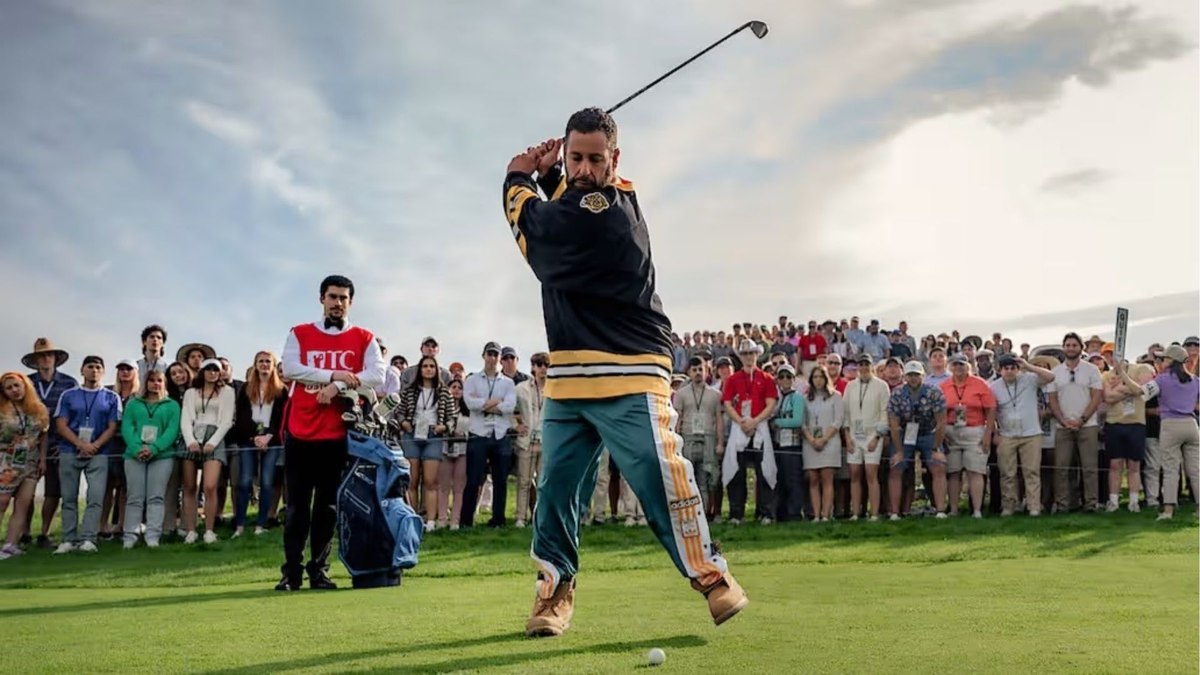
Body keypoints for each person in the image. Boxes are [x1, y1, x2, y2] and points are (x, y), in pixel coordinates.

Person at [504, 109, 745, 637]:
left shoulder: (608, 208)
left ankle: (712, 576)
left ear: (616, 159)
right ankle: (555, 589)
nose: (585, 168)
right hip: (570, 373)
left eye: (595, 158)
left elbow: (544, 238)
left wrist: (519, 175)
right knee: (556, 490)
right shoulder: (576, 197)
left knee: (658, 471)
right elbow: (561, 206)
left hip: (628, 367)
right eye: (575, 158)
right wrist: (548, 177)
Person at [276, 274, 385, 590]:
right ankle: (290, 573)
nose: (337, 303)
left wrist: (336, 386)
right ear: (321, 298)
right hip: (300, 432)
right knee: (296, 509)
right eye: (332, 296)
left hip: (337, 435)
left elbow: (376, 376)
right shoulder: (300, 333)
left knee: (327, 509)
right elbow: (291, 368)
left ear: (350, 302)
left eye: (343, 298)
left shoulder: (364, 338)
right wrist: (335, 374)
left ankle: (319, 571)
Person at [1112, 346, 1199, 520]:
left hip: (1170, 425)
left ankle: (1168, 511)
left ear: (1171, 361)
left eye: (1164, 358)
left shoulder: (1162, 379)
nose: (1161, 361)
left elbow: (1139, 391)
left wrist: (1122, 373)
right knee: (1196, 470)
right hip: (1192, 425)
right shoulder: (1195, 380)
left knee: (1170, 470)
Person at [53, 356, 123, 554]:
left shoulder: (111, 397)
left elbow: (112, 426)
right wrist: (80, 444)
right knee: (68, 497)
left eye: (98, 367)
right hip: (70, 451)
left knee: (95, 497)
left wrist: (94, 445)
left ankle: (89, 539)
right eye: (90, 366)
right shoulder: (68, 395)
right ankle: (68, 539)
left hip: (99, 453)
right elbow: (61, 424)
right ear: (82, 370)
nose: (94, 370)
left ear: (103, 371)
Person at [21, 338, 77, 550]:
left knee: (53, 492)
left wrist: (65, 441)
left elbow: (75, 415)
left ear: (55, 359)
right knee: (26, 492)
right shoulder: (26, 382)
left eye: (48, 355)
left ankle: (44, 533)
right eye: (40, 356)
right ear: (35, 360)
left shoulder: (69, 383)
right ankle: (24, 532)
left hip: (58, 444)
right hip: (28, 445)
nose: (45, 359)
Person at [119, 370, 180, 549]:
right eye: (152, 380)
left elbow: (172, 431)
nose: (155, 384)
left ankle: (153, 536)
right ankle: (129, 536)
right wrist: (138, 448)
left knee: (156, 497)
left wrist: (154, 448)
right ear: (145, 383)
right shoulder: (133, 404)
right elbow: (127, 428)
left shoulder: (172, 405)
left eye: (159, 380)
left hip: (162, 456)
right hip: (134, 455)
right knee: (134, 497)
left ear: (164, 383)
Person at [722, 340, 779, 525]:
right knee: (737, 471)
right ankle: (736, 512)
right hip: (740, 427)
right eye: (745, 353)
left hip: (759, 426)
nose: (748, 357)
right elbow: (728, 403)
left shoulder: (766, 378)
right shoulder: (733, 379)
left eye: (751, 353)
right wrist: (740, 421)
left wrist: (755, 420)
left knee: (764, 470)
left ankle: (765, 512)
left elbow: (770, 403)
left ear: (757, 355)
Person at [232, 351, 289, 537]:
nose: (264, 365)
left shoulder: (281, 390)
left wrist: (269, 436)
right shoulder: (246, 388)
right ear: (255, 364)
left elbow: (281, 418)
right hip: (249, 439)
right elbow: (241, 416)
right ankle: (239, 524)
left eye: (267, 361)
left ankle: (261, 524)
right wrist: (253, 437)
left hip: (272, 441)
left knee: (267, 482)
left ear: (273, 365)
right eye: (260, 361)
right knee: (245, 480)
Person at [461, 342, 517, 528]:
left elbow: (509, 407)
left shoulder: (508, 383)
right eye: (489, 354)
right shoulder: (472, 379)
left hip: (500, 435)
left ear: (500, 358)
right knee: (473, 479)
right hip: (478, 433)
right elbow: (470, 404)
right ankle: (466, 520)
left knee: (500, 480)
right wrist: (493, 403)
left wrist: (485, 405)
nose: (492, 358)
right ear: (483, 355)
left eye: (496, 355)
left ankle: (498, 520)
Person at [990, 355, 1055, 516]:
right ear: (1000, 370)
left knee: (1031, 472)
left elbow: (1051, 377)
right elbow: (990, 412)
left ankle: (1034, 506)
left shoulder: (1029, 379)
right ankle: (1008, 507)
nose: (1010, 371)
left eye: (1013, 368)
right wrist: (995, 432)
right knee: (1007, 473)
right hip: (1006, 434)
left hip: (1031, 433)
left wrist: (1028, 366)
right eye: (1006, 368)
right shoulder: (994, 387)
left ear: (1018, 369)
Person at [395, 355, 455, 530]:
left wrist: (443, 427)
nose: (428, 369)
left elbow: (452, 418)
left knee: (430, 481)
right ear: (420, 369)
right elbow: (399, 411)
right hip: (411, 434)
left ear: (437, 370)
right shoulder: (409, 391)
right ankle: (412, 518)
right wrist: (403, 422)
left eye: (432, 366)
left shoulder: (444, 392)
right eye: (425, 366)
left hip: (433, 435)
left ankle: (430, 520)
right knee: (411, 481)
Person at [180, 359, 235, 544]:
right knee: (189, 487)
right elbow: (185, 418)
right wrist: (190, 441)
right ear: (202, 371)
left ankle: (209, 530)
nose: (212, 373)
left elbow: (227, 420)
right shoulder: (190, 392)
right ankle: (191, 530)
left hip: (215, 437)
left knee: (210, 486)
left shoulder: (227, 392)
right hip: (193, 438)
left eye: (216, 370)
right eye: (209, 369)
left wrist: (212, 442)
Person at [1047, 333, 1104, 513]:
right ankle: (1065, 504)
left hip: (1087, 425)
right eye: (1068, 345)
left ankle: (1091, 504)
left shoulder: (1091, 370)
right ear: (1063, 348)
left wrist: (1082, 419)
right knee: (1062, 467)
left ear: (1081, 348)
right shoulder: (1055, 372)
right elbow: (1052, 399)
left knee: (1089, 467)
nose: (1071, 348)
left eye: (1074, 345)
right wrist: (1063, 420)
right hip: (1063, 425)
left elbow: (1096, 397)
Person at [886, 361, 947, 520]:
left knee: (938, 466)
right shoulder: (897, 393)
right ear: (905, 376)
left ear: (923, 376)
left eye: (916, 375)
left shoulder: (934, 392)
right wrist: (899, 452)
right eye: (910, 375)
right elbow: (893, 424)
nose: (913, 378)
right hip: (906, 434)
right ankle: (894, 513)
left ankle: (940, 510)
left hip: (929, 432)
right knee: (896, 467)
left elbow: (941, 422)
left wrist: (936, 448)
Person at [940, 354, 997, 518]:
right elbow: (940, 411)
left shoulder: (980, 384)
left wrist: (988, 433)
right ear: (951, 367)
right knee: (953, 471)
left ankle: (977, 510)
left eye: (962, 365)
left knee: (975, 471)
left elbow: (991, 408)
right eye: (956, 365)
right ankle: (953, 510)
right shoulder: (945, 386)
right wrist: (941, 433)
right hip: (951, 431)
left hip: (974, 431)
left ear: (968, 366)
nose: (959, 368)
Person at [0, 373, 49, 559]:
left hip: (30, 461)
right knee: (2, 502)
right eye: (9, 388)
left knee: (23, 504)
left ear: (25, 386)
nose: (14, 390)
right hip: (6, 461)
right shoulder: (2, 409)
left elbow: (44, 435)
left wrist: (43, 459)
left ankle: (10, 544)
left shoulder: (39, 408)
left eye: (17, 386)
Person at [673, 357, 725, 519]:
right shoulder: (681, 394)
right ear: (688, 372)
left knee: (706, 479)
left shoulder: (715, 395)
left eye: (700, 369)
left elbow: (719, 419)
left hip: (708, 438)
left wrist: (720, 442)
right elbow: (677, 419)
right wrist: (675, 443)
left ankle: (701, 515)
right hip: (687, 438)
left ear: (707, 371)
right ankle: (688, 515)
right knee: (687, 480)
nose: (697, 373)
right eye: (694, 370)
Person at [843, 353, 891, 521]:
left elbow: (885, 413)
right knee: (854, 473)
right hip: (854, 435)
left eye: (866, 364)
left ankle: (874, 513)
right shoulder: (850, 386)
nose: (863, 368)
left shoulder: (882, 385)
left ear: (872, 366)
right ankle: (856, 513)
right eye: (861, 364)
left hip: (873, 435)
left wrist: (878, 436)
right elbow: (846, 413)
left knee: (871, 474)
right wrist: (847, 437)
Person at [1101, 361, 1153, 513]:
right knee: (1115, 464)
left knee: (1134, 465)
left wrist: (1122, 381)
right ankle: (1114, 501)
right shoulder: (1106, 375)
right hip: (1114, 423)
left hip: (1136, 423)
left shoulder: (1141, 369)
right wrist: (1129, 388)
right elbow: (1108, 397)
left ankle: (1134, 501)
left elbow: (1140, 390)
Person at [101, 359, 139, 541]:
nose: (124, 372)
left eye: (128, 369)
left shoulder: (139, 395)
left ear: (135, 372)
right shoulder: (108, 392)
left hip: (129, 443)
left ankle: (121, 525)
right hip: (109, 442)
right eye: (121, 369)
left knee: (126, 486)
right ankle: (102, 525)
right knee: (106, 485)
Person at [802, 366, 844, 521]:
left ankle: (826, 514)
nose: (818, 380)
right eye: (815, 377)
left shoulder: (836, 396)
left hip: (830, 441)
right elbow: (803, 423)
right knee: (813, 478)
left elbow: (838, 421)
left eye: (820, 377)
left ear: (826, 379)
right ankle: (816, 514)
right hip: (810, 442)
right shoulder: (806, 399)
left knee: (827, 477)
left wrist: (824, 439)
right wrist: (812, 439)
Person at [514, 352, 550, 528]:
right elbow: (510, 410)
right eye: (539, 364)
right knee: (524, 481)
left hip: (547, 440)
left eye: (546, 365)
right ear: (533, 367)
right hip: (526, 440)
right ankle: (520, 517)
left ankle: (541, 517)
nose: (543, 368)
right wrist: (516, 425)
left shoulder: (555, 388)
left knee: (544, 482)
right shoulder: (521, 388)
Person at [437, 378, 470, 530]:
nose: (456, 390)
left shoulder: (468, 410)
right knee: (444, 486)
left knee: (459, 487)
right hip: (445, 448)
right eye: (453, 387)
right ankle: (442, 518)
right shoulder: (442, 408)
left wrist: (463, 434)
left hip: (462, 450)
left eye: (459, 387)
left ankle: (455, 521)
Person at [137, 325, 170, 390]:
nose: (155, 339)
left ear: (163, 343)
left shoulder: (167, 368)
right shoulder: (136, 366)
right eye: (152, 337)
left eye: (159, 337)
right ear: (144, 342)